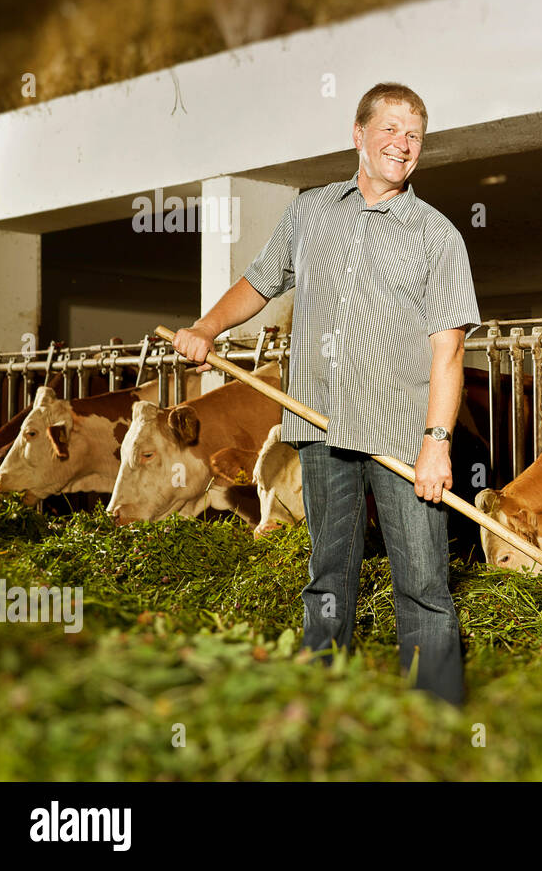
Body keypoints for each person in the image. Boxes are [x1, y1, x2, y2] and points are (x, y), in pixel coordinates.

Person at [173, 82, 481, 705]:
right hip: (320, 430)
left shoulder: (437, 235)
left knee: (422, 583)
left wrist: (437, 445)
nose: (403, 144)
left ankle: (436, 716)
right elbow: (259, 283)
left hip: (400, 438)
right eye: (390, 129)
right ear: (358, 134)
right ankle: (323, 712)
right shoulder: (310, 212)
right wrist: (207, 328)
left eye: (414, 135)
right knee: (327, 578)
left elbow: (449, 350)